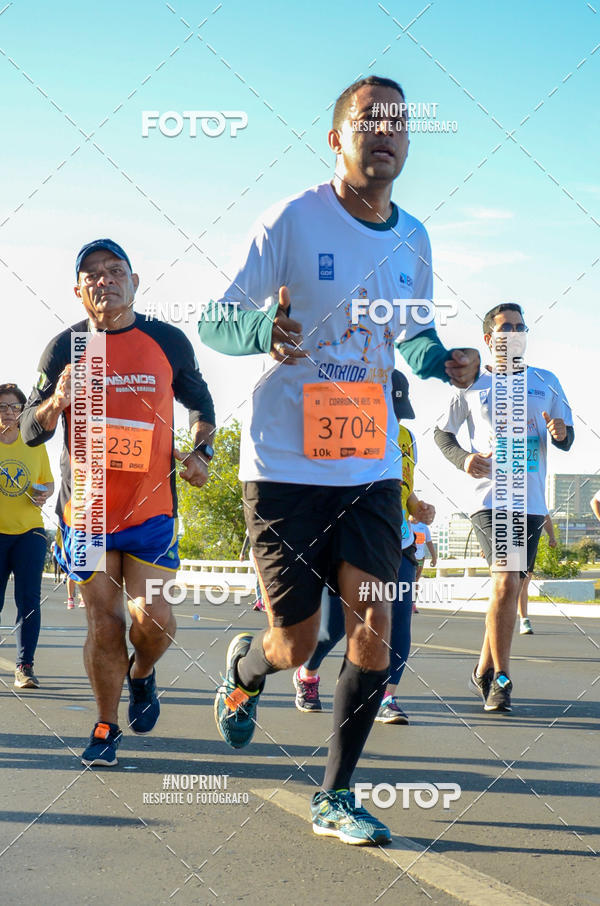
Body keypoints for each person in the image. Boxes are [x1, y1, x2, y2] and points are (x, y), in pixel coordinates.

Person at [199, 75, 480, 844]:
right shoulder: (290, 218)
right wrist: (262, 334)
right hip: (284, 465)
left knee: (374, 631)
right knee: (295, 641)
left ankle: (336, 795)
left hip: (369, 464)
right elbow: (215, 319)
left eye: (396, 121)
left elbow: (411, 336)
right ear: (337, 138)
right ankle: (248, 670)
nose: (382, 132)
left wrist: (441, 360)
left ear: (409, 142)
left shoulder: (412, 237)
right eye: (366, 120)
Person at [21, 239, 215, 766]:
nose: (104, 280)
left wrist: (202, 451)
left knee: (153, 621)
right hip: (85, 514)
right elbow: (28, 428)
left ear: (135, 280)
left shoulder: (165, 339)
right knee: (104, 622)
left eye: (115, 270)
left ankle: (142, 673)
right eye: (92, 274)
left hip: (150, 510)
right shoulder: (65, 347)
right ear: (78, 291)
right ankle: (105, 725)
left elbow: (199, 401)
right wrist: (56, 403)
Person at [435, 303, 574, 712]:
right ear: (488, 339)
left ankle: (482, 667)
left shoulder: (546, 381)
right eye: (504, 328)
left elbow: (566, 438)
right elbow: (442, 434)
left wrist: (561, 431)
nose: (513, 333)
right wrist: (463, 458)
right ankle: (501, 679)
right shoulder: (471, 385)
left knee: (510, 584)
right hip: (490, 496)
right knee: (506, 580)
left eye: (519, 327)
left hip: (529, 498)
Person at [292, 371, 435, 726]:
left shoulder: (406, 438)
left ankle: (387, 697)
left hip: (397, 540)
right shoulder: (341, 428)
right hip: (348, 537)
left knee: (398, 621)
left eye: (399, 410)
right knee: (335, 626)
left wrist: (417, 506)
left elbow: (403, 488)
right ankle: (307, 674)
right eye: (389, 408)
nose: (395, 418)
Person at [0, 382, 54, 689]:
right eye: (3, 407)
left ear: (24, 412)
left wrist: (44, 494)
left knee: (29, 600)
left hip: (30, 531)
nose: (9, 412)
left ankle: (25, 667)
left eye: (15, 407)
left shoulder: (34, 443)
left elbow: (48, 483)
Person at [517, 514, 556, 634]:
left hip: (529, 542)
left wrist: (552, 536)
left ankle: (524, 620)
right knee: (506, 584)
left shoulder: (535, 497)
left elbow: (545, 514)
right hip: (508, 541)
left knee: (523, 583)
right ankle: (500, 618)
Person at [410, 516, 437, 612]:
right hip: (408, 557)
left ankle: (413, 604)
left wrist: (434, 557)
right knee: (407, 581)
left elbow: (429, 542)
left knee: (415, 581)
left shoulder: (424, 527)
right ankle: (403, 603)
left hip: (420, 558)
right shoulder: (406, 524)